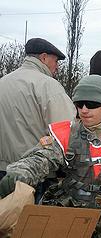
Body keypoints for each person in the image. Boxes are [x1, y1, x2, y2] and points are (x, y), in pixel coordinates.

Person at [0, 75, 101, 236]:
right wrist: (21, 172)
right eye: (79, 104)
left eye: (92, 104)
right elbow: (41, 158)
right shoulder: (66, 134)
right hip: (72, 221)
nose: (84, 110)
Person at [0, 38, 76, 180]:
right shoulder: (48, 85)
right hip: (34, 173)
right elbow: (67, 132)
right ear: (44, 57)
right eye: (56, 61)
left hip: (3, 170)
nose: (57, 66)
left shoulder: (3, 82)